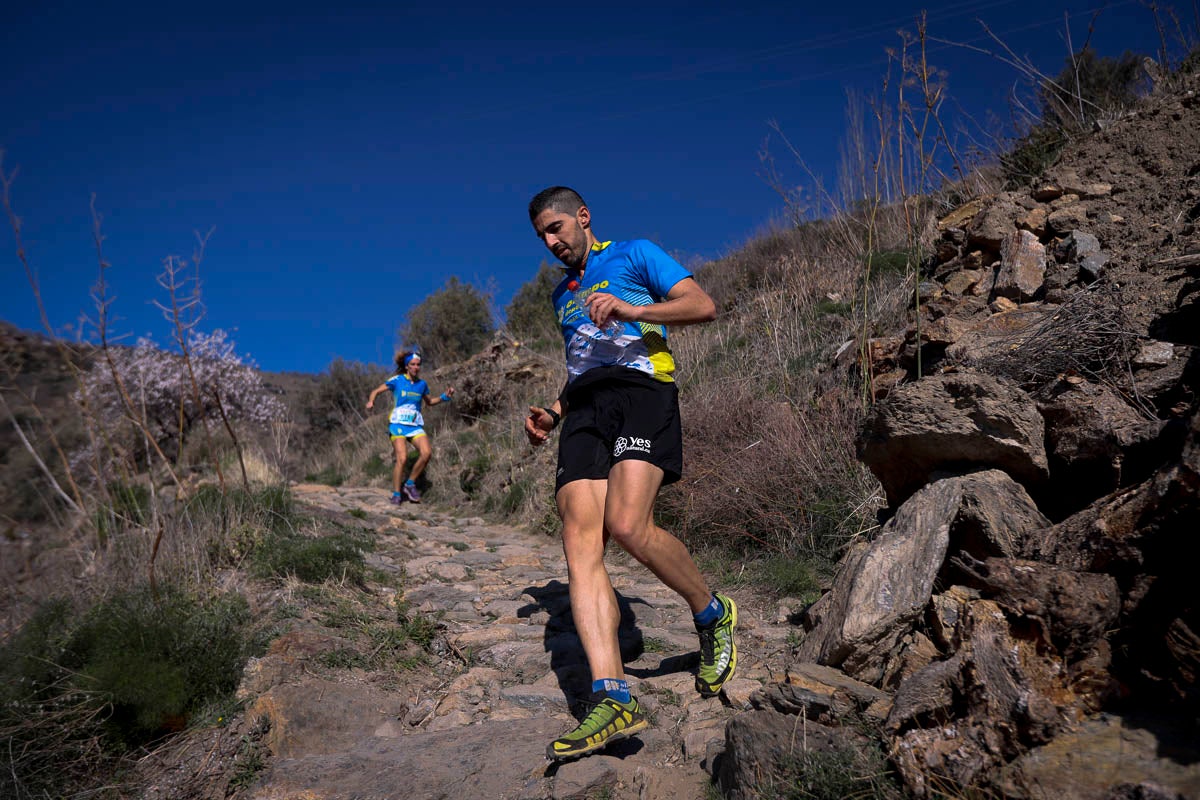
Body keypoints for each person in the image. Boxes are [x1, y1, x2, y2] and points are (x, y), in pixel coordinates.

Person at [523, 186, 737, 761]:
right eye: (542, 235)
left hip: (643, 389)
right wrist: (554, 411)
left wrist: (633, 309)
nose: (551, 241)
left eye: (556, 227)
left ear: (583, 217)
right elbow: (580, 364)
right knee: (579, 539)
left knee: (627, 525)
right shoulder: (559, 295)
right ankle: (613, 697)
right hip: (586, 410)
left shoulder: (636, 254)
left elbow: (703, 306)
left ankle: (712, 613)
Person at [366, 351, 454, 503]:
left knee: (427, 453)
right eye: (412, 364)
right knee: (402, 458)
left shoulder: (422, 385)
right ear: (407, 366)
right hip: (397, 424)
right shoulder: (397, 380)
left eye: (418, 365)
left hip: (414, 425)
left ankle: (410, 484)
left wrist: (444, 397)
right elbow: (376, 391)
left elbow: (430, 402)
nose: (416, 367)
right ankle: (396, 494)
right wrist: (371, 401)